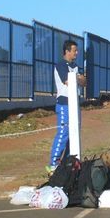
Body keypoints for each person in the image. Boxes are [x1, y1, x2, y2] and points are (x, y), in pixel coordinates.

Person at [48, 40, 86, 173]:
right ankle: (53, 164)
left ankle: (69, 162)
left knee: (74, 134)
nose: (77, 53)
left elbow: (84, 81)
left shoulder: (75, 66)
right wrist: (78, 78)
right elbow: (68, 81)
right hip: (64, 104)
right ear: (67, 51)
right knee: (64, 133)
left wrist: (78, 78)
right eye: (74, 50)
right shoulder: (61, 65)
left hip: (75, 104)